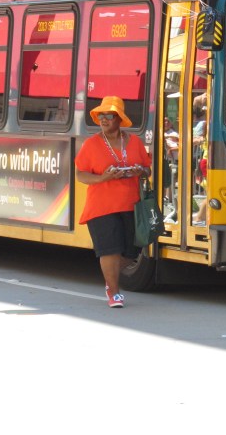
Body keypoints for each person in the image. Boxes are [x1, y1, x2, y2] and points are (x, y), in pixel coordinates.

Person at [75, 96, 152, 308]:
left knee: (131, 251)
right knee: (109, 250)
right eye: (101, 116)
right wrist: (103, 178)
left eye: (109, 116)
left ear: (120, 119)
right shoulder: (91, 144)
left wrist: (140, 170)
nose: (104, 120)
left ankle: (110, 276)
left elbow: (148, 168)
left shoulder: (135, 142)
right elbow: (80, 175)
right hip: (101, 206)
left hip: (131, 205)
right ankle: (114, 292)